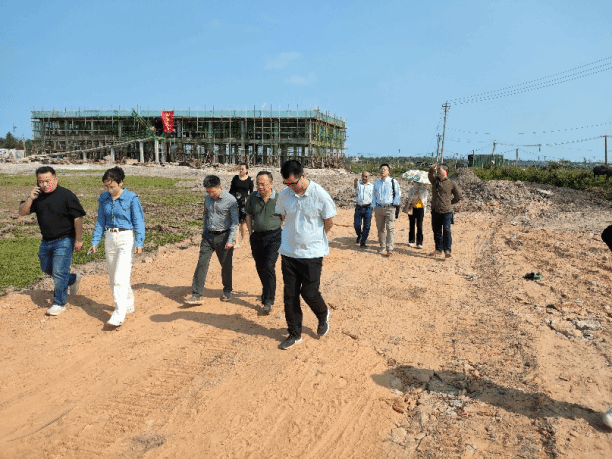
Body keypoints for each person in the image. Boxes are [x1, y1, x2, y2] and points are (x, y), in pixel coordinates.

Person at [275, 160, 336, 350]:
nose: (291, 187)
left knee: (309, 292)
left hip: (312, 254)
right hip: (289, 252)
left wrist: (313, 238)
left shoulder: (320, 195)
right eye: (286, 183)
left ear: (303, 176)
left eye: (293, 183)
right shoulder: (284, 196)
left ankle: (322, 313)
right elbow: (283, 217)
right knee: (290, 294)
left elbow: (329, 221)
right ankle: (294, 334)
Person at [18, 166, 86, 316]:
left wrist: (79, 239)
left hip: (65, 239)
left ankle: (59, 303)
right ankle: (73, 279)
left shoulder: (66, 195)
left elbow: (78, 217)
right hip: (46, 240)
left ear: (55, 179)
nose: (44, 184)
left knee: (59, 272)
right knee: (46, 268)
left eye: (48, 181)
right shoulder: (37, 197)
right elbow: (22, 212)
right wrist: (30, 198)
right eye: (41, 181)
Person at [89, 167, 146, 327]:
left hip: (125, 238)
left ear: (120, 183)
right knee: (114, 275)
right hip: (110, 238)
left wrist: (139, 242)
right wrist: (95, 241)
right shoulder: (104, 199)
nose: (109, 189)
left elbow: (139, 221)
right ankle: (128, 302)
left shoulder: (131, 198)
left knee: (120, 277)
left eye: (112, 186)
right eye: (106, 186)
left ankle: (118, 314)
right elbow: (100, 222)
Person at [186, 175, 239, 305]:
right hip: (208, 236)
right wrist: (204, 231)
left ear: (220, 187)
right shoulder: (207, 199)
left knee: (226, 265)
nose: (211, 194)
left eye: (212, 191)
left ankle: (227, 290)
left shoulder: (231, 200)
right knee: (201, 263)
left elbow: (234, 222)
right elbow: (206, 215)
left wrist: (231, 240)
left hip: (224, 237)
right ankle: (197, 294)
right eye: (208, 191)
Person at [244, 171, 283, 314]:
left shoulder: (279, 199)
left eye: (263, 184)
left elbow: (285, 217)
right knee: (260, 267)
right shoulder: (252, 197)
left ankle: (268, 300)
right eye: (257, 184)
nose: (260, 187)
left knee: (268, 266)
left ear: (271, 184)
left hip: (275, 236)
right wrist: (250, 233)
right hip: (257, 237)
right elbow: (248, 214)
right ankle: (266, 289)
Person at [428, 163, 463, 258]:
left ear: (445, 171)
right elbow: (430, 176)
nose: (438, 171)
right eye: (437, 170)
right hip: (435, 210)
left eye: (440, 169)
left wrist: (449, 203)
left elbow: (459, 196)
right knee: (436, 231)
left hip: (447, 212)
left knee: (446, 230)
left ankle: (447, 250)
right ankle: (438, 249)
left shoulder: (451, 183)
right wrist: (431, 169)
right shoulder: (435, 181)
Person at [372, 163, 401, 256]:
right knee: (380, 228)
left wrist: (394, 205)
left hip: (389, 208)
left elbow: (398, 194)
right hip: (378, 208)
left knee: (390, 228)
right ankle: (382, 245)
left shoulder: (393, 181)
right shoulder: (377, 183)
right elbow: (374, 195)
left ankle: (390, 248)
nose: (382, 171)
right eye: (381, 169)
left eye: (385, 169)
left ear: (388, 172)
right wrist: (374, 206)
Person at [229, 163, 254, 248]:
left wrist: (250, 203)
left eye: (242, 169)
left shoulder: (250, 180)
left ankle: (242, 240)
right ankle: (236, 242)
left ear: (247, 170)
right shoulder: (235, 178)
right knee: (235, 222)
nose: (240, 170)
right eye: (240, 169)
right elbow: (231, 190)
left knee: (243, 223)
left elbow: (251, 193)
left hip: (244, 203)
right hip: (235, 202)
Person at [402, 181, 429, 249]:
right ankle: (411, 241)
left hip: (420, 209)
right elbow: (409, 199)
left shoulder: (424, 191)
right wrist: (414, 194)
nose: (418, 184)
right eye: (416, 182)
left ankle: (419, 243)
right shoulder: (411, 190)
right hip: (412, 208)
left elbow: (425, 201)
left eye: (420, 183)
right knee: (412, 224)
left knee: (419, 225)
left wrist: (419, 195)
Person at [353, 171, 373, 248]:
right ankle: (359, 235)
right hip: (359, 207)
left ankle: (363, 242)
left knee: (367, 226)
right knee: (357, 225)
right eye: (363, 176)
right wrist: (355, 182)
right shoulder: (358, 184)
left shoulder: (372, 187)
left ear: (369, 177)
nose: (364, 178)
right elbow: (355, 185)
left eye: (366, 176)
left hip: (368, 208)